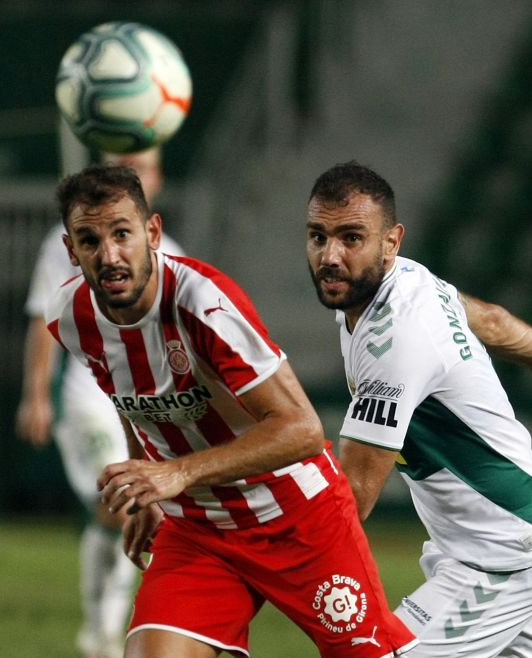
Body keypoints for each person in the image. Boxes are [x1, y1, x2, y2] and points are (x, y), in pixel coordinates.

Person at [44, 164, 419, 658]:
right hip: (199, 529)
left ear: (152, 232)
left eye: (122, 234)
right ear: (72, 251)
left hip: (296, 518)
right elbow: (127, 395)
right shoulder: (71, 317)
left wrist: (175, 473)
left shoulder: (202, 303)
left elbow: (303, 430)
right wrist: (146, 487)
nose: (109, 256)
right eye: (90, 241)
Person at [304, 161, 532, 658]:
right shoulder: (408, 281)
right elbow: (490, 320)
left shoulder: (395, 342)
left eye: (350, 238)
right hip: (504, 538)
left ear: (391, 242)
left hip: (505, 554)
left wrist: (247, 546)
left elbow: (353, 498)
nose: (330, 256)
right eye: (318, 236)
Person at [15, 147, 183, 658]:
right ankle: (103, 632)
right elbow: (45, 317)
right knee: (120, 504)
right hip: (87, 396)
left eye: (144, 163)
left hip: (148, 407)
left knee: (138, 511)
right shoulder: (65, 242)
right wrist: (36, 394)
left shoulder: (173, 253)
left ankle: (110, 631)